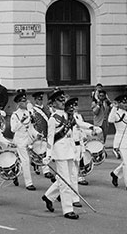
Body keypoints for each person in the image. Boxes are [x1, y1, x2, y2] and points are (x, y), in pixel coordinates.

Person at [41, 89, 79, 220]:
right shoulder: (53, 118)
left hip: (69, 150)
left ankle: (48, 196)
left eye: (63, 99)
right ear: (53, 103)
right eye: (59, 100)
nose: (63, 102)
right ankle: (68, 209)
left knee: (64, 179)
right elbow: (50, 138)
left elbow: (75, 130)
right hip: (59, 152)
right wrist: (48, 155)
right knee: (65, 182)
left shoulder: (68, 115)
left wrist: (92, 129)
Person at [9, 92, 37, 191]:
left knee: (22, 160)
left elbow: (31, 128)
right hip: (20, 140)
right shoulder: (15, 115)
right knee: (26, 161)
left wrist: (37, 135)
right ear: (19, 103)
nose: (25, 103)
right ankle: (29, 183)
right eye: (23, 101)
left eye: (26, 101)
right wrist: (21, 121)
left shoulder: (29, 113)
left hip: (28, 139)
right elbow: (13, 129)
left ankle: (14, 172)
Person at [30, 91, 54, 179]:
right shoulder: (33, 110)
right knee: (41, 151)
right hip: (39, 132)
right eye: (38, 99)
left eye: (41, 99)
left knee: (46, 151)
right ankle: (46, 170)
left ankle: (38, 165)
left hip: (48, 132)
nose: (40, 101)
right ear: (35, 100)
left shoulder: (47, 108)